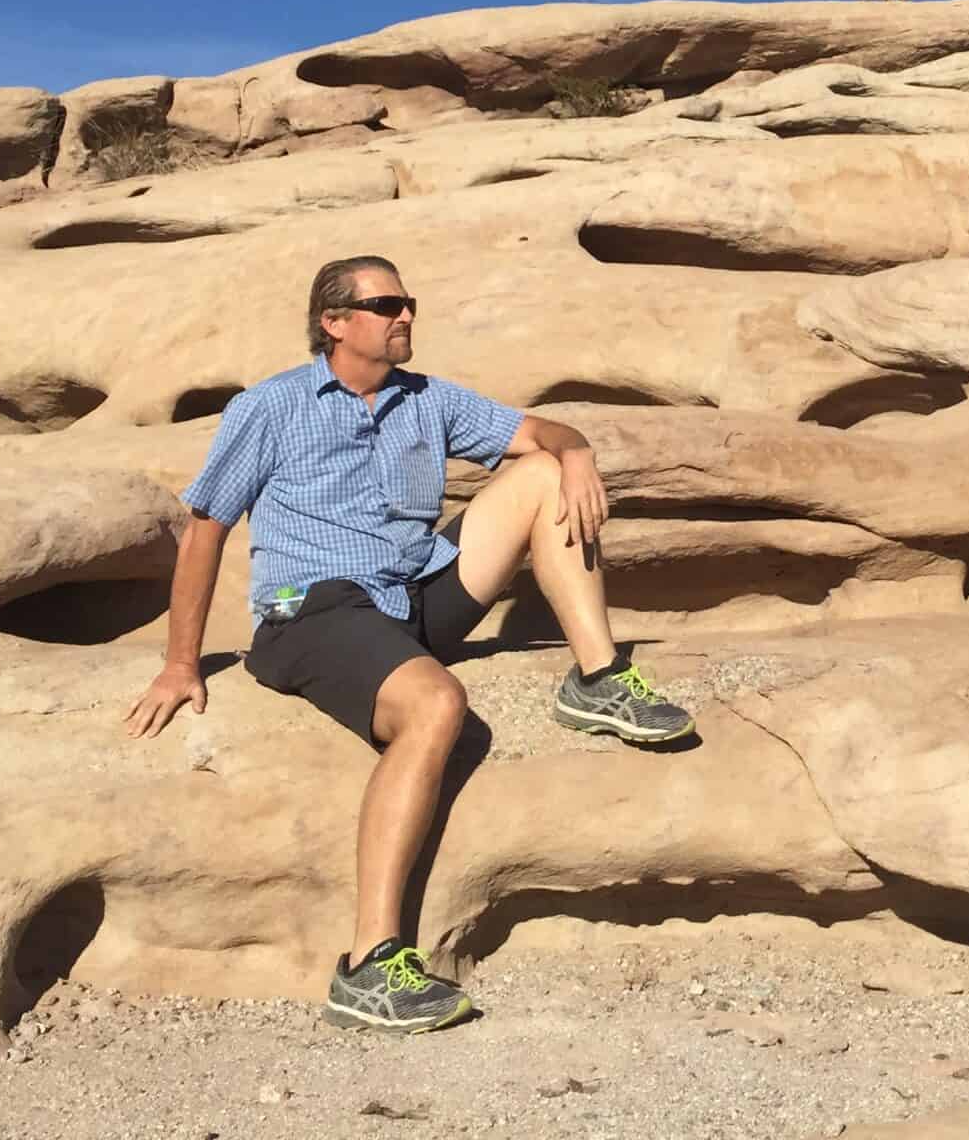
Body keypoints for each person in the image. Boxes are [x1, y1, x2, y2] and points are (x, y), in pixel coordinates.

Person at [123, 253, 691, 1033]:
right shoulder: (273, 406)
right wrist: (180, 663)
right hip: (313, 609)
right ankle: (369, 964)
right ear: (334, 323)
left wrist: (579, 450)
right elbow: (207, 524)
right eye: (386, 304)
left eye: (409, 302)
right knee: (436, 704)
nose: (405, 317)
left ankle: (597, 677)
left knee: (544, 475)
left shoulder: (426, 400)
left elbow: (543, 431)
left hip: (407, 597)